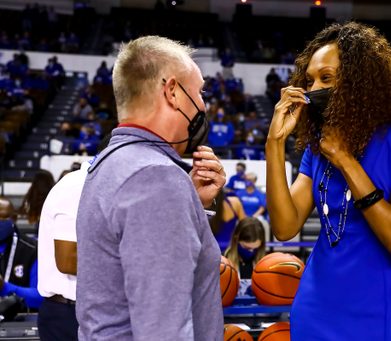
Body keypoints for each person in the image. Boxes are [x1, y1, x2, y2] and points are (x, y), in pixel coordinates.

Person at [265, 23, 391, 340]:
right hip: (315, 302)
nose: (315, 88)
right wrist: (274, 144)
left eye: (327, 78)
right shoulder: (318, 142)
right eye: (310, 81)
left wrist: (346, 161)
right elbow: (284, 227)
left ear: (360, 81)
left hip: (377, 307)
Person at [75, 36, 225, 341]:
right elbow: (163, 330)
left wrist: (192, 202)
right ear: (172, 92)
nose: (203, 104)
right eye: (198, 92)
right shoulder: (157, 176)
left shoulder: (110, 162)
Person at [37, 135, 111, 341]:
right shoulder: (78, 185)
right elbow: (68, 261)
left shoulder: (104, 185)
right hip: (69, 313)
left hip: (92, 310)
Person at [0, 197, 43, 309]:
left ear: (14, 219)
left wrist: (4, 287)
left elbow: (41, 297)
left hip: (21, 318)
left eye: (3, 217)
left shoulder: (33, 249)